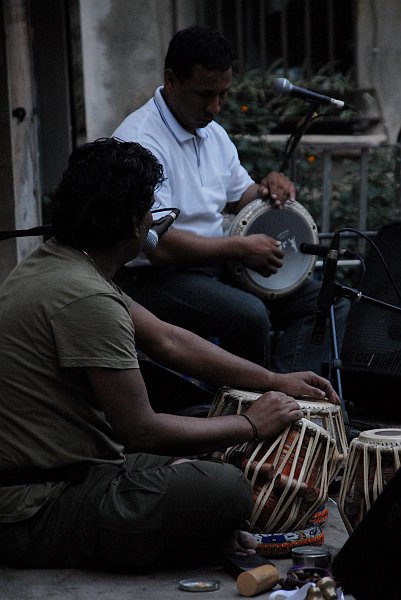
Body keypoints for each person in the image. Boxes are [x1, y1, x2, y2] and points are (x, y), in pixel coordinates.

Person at [0, 138, 339, 571]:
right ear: (132, 223)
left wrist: (273, 381)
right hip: (34, 508)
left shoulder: (58, 264)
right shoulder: (84, 296)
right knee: (226, 489)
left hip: (62, 472)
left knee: (204, 456)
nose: (155, 218)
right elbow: (140, 430)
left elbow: (168, 340)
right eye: (150, 209)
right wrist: (250, 425)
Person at [111, 25, 349, 376]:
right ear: (171, 79)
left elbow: (241, 195)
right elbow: (157, 244)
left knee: (328, 299)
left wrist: (269, 186)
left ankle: (290, 396)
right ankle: (246, 410)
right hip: (156, 277)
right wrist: (238, 249)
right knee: (249, 315)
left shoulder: (212, 133)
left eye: (222, 94)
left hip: (215, 267)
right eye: (205, 94)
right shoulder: (139, 139)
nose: (216, 107)